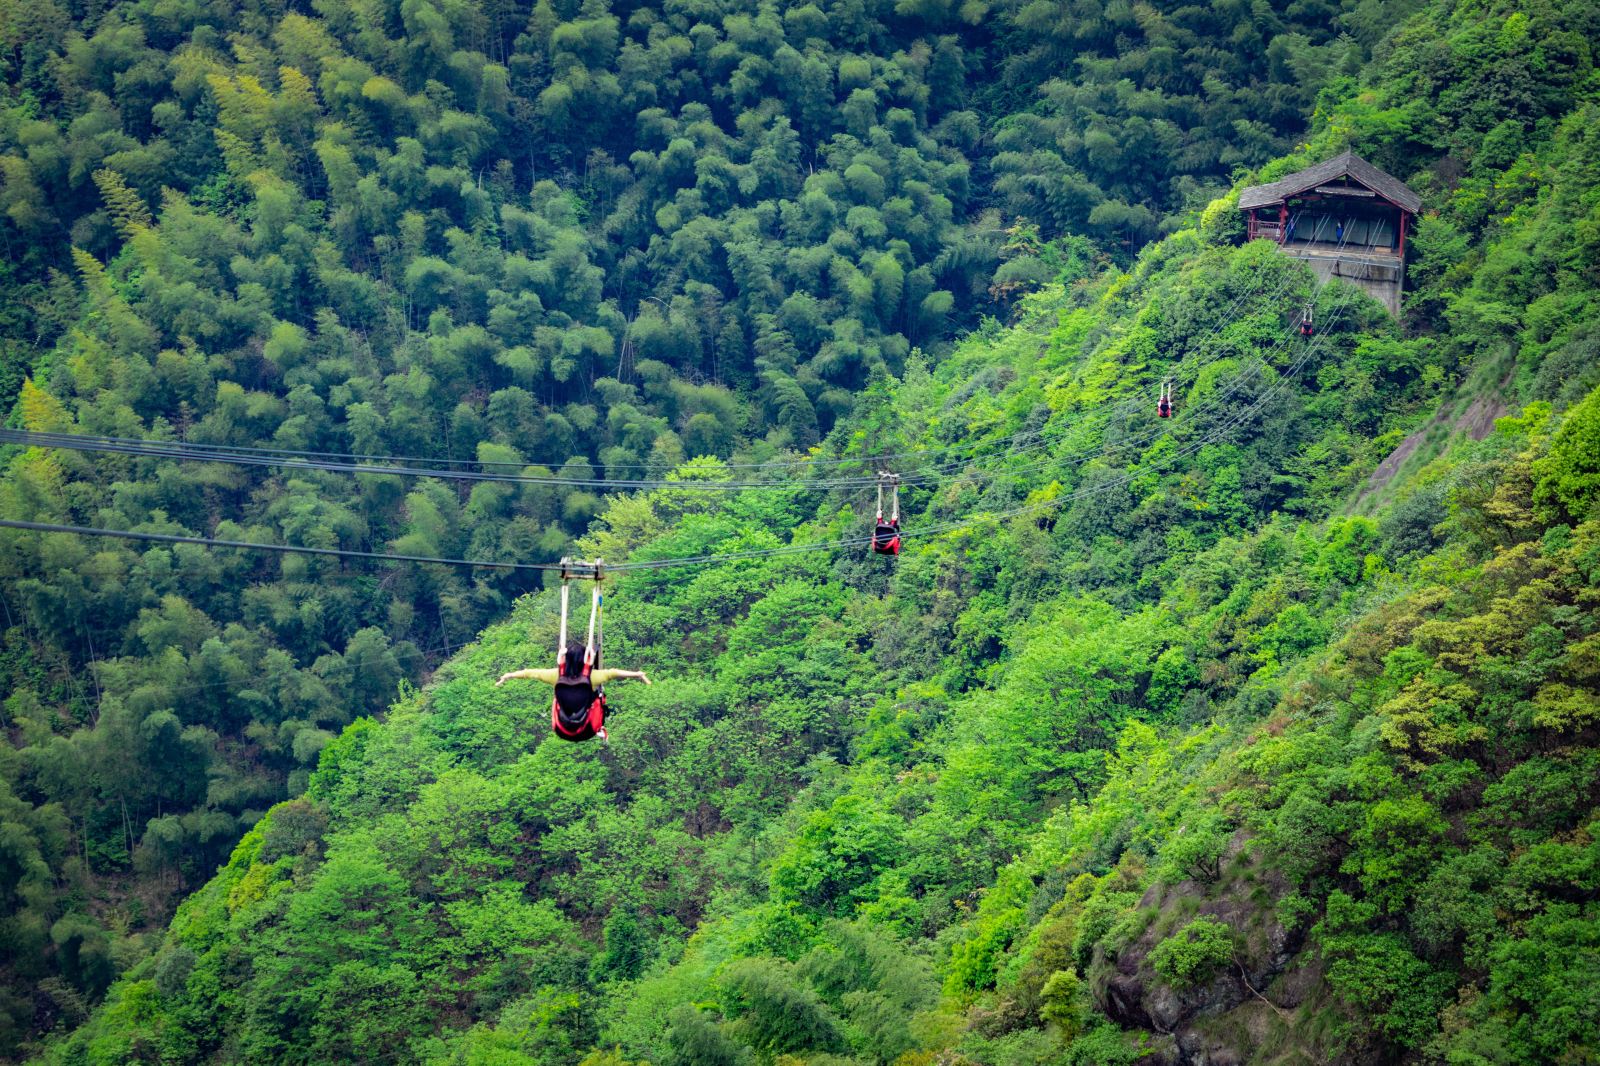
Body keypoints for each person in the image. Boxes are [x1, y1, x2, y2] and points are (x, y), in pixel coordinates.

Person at [497, 641, 651, 743]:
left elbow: (530, 673)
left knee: (559, 699)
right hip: (588, 728)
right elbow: (614, 672)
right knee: (597, 697)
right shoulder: (593, 676)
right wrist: (637, 674)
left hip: (561, 729)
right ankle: (600, 728)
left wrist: (509, 676)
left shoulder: (556, 675)